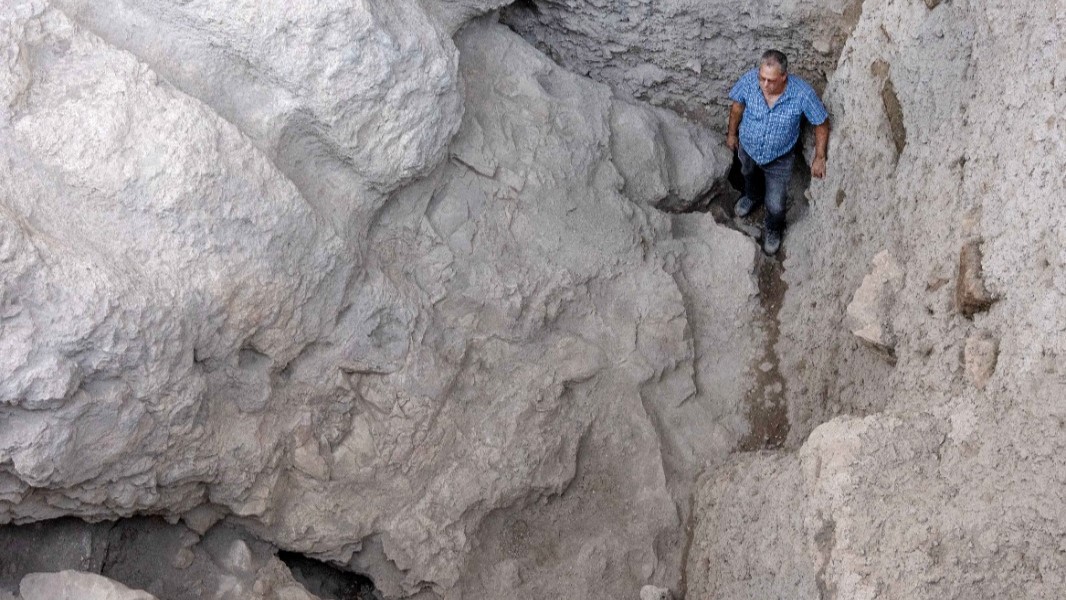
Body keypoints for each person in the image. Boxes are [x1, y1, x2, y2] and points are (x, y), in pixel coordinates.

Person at [726, 50, 829, 255]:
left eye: (771, 80)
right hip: (748, 148)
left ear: (784, 76)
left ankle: (773, 228)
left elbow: (821, 123)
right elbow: (737, 108)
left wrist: (820, 156)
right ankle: (752, 197)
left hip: (779, 159)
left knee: (775, 201)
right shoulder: (749, 81)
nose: (764, 84)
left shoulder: (802, 94)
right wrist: (732, 134)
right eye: (762, 78)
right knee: (748, 174)